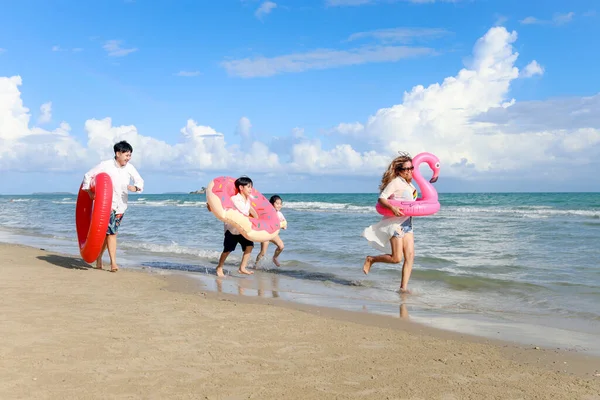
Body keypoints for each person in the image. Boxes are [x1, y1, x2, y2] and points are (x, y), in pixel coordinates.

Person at [81, 140, 144, 272]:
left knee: (107, 234)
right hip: (106, 206)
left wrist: (136, 187)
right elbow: (88, 175)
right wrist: (89, 191)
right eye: (126, 155)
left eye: (130, 155)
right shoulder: (106, 165)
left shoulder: (129, 167)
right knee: (112, 233)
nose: (128, 158)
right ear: (118, 153)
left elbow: (139, 180)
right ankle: (113, 263)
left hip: (121, 206)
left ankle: (99, 258)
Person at [362, 152, 417, 293]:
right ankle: (371, 259)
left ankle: (403, 289)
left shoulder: (409, 183)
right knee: (397, 258)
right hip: (396, 224)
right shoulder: (396, 182)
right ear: (399, 170)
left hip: (407, 223)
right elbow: (382, 198)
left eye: (411, 168)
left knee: (410, 257)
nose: (409, 171)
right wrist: (392, 207)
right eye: (406, 169)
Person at [215, 176, 258, 277]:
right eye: (249, 187)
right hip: (232, 229)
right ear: (241, 188)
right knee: (227, 250)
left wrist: (257, 219)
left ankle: (242, 267)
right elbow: (240, 214)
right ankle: (219, 267)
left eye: (251, 187)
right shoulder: (234, 199)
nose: (251, 189)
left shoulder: (247, 200)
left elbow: (250, 210)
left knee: (249, 246)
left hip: (242, 230)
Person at [255, 195, 286, 267]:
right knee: (263, 252)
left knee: (281, 246)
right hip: (265, 234)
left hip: (273, 234)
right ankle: (255, 265)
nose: (279, 205)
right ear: (271, 204)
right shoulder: (267, 212)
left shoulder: (279, 214)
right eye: (277, 203)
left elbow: (284, 223)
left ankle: (274, 258)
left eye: (280, 204)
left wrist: (283, 226)